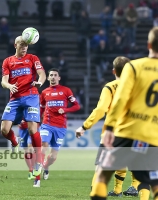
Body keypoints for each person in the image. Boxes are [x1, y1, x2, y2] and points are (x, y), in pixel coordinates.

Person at [90, 27, 158, 200]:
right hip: (151, 136)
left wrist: (110, 128)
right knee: (153, 181)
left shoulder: (134, 67)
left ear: (148, 44)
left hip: (128, 130)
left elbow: (120, 100)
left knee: (102, 174)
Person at [76, 56, 139, 197]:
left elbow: (100, 110)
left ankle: (97, 191)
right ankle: (130, 187)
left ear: (113, 71)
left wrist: (84, 126)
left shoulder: (110, 87)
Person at [0, 35, 46, 178]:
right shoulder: (8, 61)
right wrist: (9, 85)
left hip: (31, 96)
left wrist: (40, 82)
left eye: (26, 45)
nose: (24, 47)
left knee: (33, 129)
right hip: (15, 99)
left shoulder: (33, 58)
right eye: (22, 44)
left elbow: (42, 74)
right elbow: (3, 81)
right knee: (4, 129)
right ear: (15, 45)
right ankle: (15, 142)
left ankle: (38, 160)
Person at [33, 68, 80, 187]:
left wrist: (65, 109)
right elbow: (42, 108)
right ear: (48, 78)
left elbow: (77, 106)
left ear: (59, 78)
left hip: (61, 127)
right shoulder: (44, 93)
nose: (53, 77)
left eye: (55, 75)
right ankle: (37, 178)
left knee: (53, 157)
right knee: (43, 145)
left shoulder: (66, 91)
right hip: (47, 125)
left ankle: (46, 166)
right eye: (51, 75)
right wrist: (37, 121)